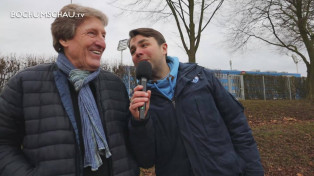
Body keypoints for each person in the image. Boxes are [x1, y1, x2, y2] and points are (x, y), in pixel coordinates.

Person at [0, 4, 139, 176]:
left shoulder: (115, 85)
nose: (102, 43)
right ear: (64, 39)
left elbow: (131, 145)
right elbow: (4, 143)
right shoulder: (25, 84)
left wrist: (140, 122)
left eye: (103, 35)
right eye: (92, 33)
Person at [128, 28, 264, 176]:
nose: (137, 52)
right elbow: (146, 160)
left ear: (164, 48)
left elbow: (238, 127)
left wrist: (253, 171)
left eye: (144, 45)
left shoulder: (201, 77)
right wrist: (139, 123)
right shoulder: (140, 104)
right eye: (133, 50)